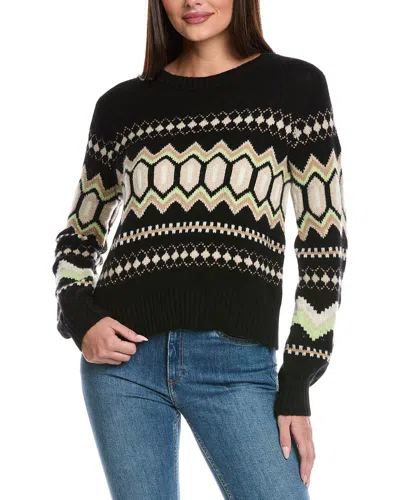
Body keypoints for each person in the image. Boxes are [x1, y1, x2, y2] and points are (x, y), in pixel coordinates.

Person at [52, 0, 348, 498]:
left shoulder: (295, 88)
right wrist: (79, 316)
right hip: (123, 366)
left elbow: (324, 238)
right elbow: (80, 235)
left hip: (237, 364)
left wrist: (298, 377)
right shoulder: (121, 106)